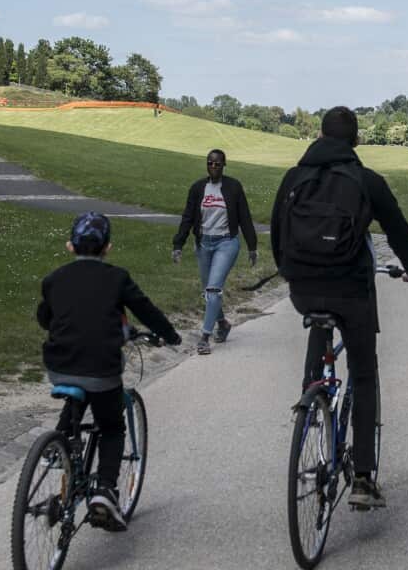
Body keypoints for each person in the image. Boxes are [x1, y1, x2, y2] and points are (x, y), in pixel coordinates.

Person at [271, 106, 408, 510]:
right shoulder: (366, 180)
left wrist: (291, 274)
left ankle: (309, 398)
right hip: (351, 290)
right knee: (363, 372)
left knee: (318, 327)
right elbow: (398, 230)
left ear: (320, 136)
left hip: (303, 289)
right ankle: (362, 477)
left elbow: (277, 232)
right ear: (355, 140)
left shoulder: (294, 177)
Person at [36, 212, 182, 531]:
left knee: (78, 390)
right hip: (102, 369)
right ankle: (105, 490)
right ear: (108, 248)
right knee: (113, 426)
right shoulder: (117, 278)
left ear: (69, 247)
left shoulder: (53, 280)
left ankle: (58, 444)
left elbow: (45, 318)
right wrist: (170, 335)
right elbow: (146, 309)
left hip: (59, 367)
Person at [172, 149, 258, 355]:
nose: (213, 167)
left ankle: (204, 337)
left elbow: (245, 218)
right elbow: (187, 218)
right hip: (203, 244)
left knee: (212, 290)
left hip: (226, 243)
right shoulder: (197, 188)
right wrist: (178, 244)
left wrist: (252, 246)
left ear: (224, 165)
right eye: (210, 163)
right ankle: (222, 323)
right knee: (209, 290)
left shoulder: (233, 187)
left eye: (217, 164)